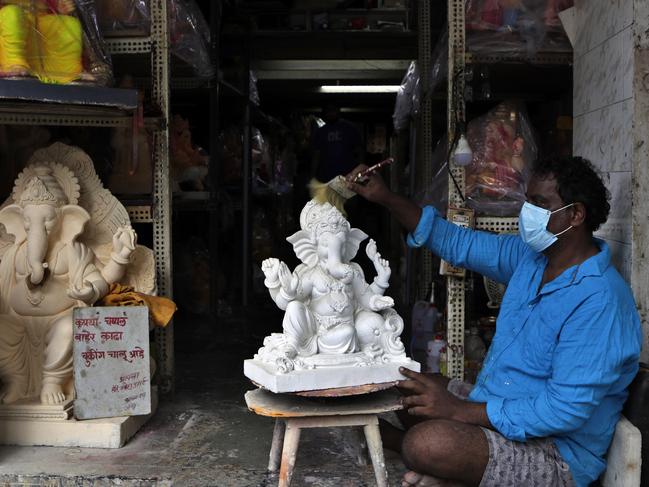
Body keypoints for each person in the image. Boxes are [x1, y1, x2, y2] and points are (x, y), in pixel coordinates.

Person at [347, 156, 642, 487]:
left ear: (575, 214)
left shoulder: (601, 301)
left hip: (557, 452)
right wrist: (385, 197)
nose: (526, 212)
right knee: (405, 387)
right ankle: (451, 473)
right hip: (501, 404)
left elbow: (562, 411)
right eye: (528, 200)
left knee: (426, 442)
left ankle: (412, 452)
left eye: (540, 204)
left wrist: (459, 412)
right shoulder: (532, 259)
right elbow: (459, 243)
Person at [311, 104, 363, 183]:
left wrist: (359, 171)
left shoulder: (349, 128)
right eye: (328, 111)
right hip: (326, 176)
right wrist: (313, 175)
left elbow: (360, 150)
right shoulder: (321, 132)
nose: (330, 114)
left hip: (347, 175)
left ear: (338, 111)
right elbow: (316, 155)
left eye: (333, 111)